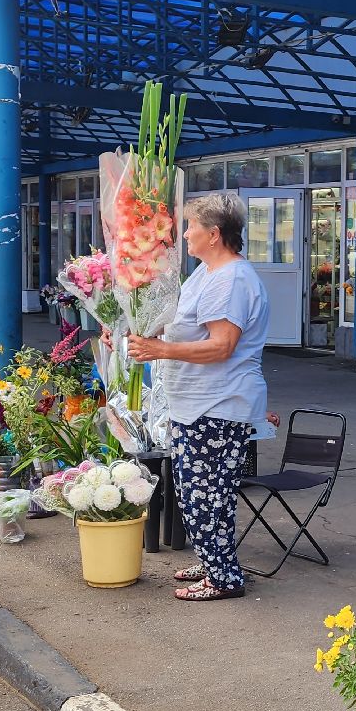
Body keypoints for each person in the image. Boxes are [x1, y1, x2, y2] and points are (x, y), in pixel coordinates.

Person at [120, 193, 269, 601]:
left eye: (191, 226)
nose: (184, 234)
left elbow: (222, 346)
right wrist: (146, 334)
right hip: (197, 402)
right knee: (195, 490)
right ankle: (212, 560)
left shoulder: (231, 281)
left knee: (206, 492)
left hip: (218, 403)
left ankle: (224, 578)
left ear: (214, 234)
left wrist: (160, 350)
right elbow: (186, 329)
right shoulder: (207, 272)